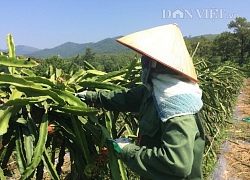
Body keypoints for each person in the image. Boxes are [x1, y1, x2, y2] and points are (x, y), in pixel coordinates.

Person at [76, 24, 205, 180]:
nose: (142, 64)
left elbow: (177, 164)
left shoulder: (176, 106)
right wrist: (91, 96)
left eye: (146, 59)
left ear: (154, 64)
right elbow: (125, 97)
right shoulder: (155, 91)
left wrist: (128, 150)